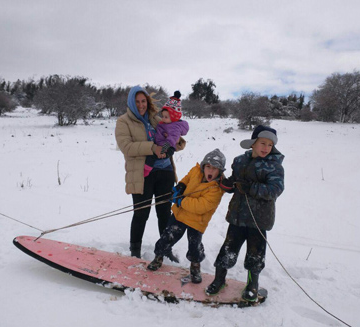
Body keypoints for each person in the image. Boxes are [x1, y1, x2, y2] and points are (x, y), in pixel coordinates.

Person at [205, 125, 284, 302]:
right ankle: (219, 279)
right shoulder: (240, 161)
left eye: (270, 145)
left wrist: (251, 188)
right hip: (237, 216)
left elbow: (275, 189)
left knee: (255, 254)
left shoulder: (274, 167)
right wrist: (227, 185)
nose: (266, 148)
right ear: (253, 144)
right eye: (262, 143)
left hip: (259, 220)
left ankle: (252, 284)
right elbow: (235, 181)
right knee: (228, 249)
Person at [115, 85, 185, 261]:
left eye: (143, 101)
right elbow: (126, 147)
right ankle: (135, 251)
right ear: (131, 102)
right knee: (141, 213)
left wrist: (177, 143)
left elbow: (172, 134)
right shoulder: (124, 122)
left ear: (147, 101)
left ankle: (166, 248)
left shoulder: (155, 118)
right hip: (142, 174)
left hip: (165, 171)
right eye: (137, 101)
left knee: (164, 213)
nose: (141, 105)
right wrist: (152, 147)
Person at [147, 149, 227, 284]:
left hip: (197, 221)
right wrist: (180, 186)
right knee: (168, 236)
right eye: (208, 167)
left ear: (220, 171)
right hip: (180, 215)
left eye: (215, 169)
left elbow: (200, 206)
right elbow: (187, 178)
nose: (211, 171)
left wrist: (180, 201)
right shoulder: (196, 171)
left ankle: (195, 267)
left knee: (195, 245)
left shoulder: (216, 189)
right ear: (203, 166)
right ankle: (158, 257)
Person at [144, 91, 189, 177]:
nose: (163, 118)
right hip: (159, 148)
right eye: (163, 116)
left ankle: (146, 170)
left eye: (166, 117)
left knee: (151, 157)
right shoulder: (164, 122)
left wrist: (165, 147)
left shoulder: (172, 126)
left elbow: (175, 140)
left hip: (165, 149)